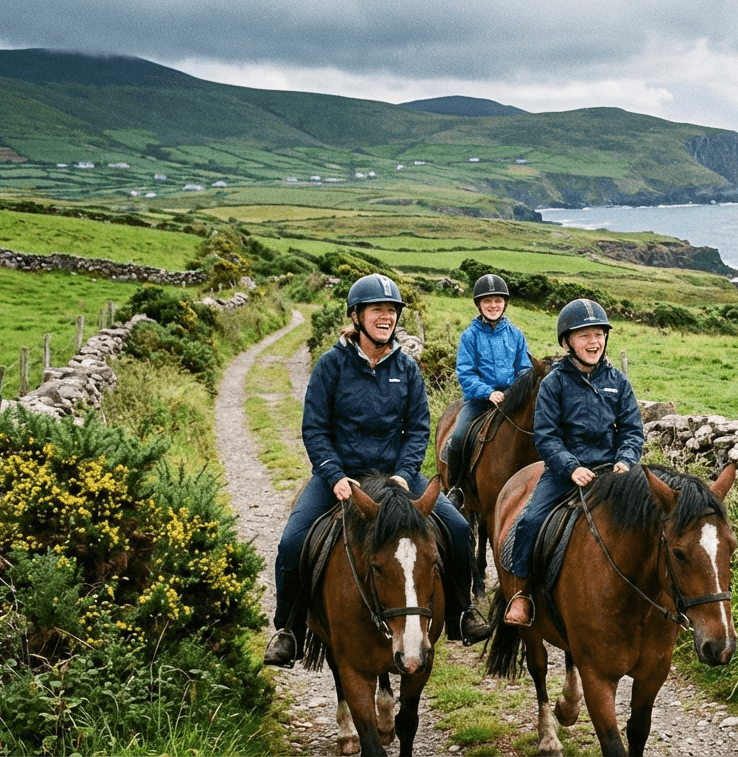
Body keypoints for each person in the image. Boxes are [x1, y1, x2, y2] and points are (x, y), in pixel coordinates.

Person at [264, 273, 492, 668]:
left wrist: (405, 473)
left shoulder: (407, 368)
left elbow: (418, 427)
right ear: (357, 316)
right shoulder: (331, 366)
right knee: (292, 542)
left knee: (455, 528)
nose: (385, 317)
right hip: (342, 477)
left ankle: (461, 613)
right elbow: (315, 428)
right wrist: (334, 475)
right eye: (377, 310)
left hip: (395, 476)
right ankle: (288, 629)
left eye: (391, 311)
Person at [501, 298, 645, 626]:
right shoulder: (554, 383)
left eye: (598, 334)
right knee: (531, 520)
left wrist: (625, 459)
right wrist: (571, 467)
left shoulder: (619, 382)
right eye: (584, 335)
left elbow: (632, 430)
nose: (594, 342)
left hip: (612, 471)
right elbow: (547, 437)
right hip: (565, 472)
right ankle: (520, 593)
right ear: (567, 341)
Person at [440, 273, 532, 500]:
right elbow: (466, 372)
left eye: (498, 300)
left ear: (505, 303)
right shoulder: (469, 336)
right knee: (459, 437)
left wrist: (515, 391)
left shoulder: (516, 335)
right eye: (488, 301)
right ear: (479, 304)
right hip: (479, 400)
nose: (493, 305)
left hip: (511, 399)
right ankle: (457, 488)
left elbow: (525, 368)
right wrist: (488, 392)